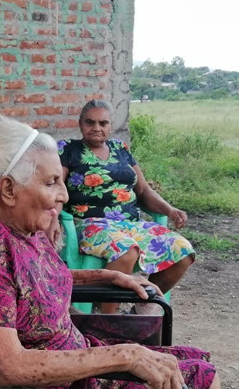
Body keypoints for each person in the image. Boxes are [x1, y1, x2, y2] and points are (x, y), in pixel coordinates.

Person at [0, 118, 219, 389]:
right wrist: (126, 355)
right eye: (52, 182)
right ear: (9, 189)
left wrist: (108, 276)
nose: (64, 195)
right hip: (62, 380)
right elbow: (10, 367)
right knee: (199, 377)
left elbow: (37, 279)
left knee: (194, 365)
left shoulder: (20, 227)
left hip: (75, 351)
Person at [49, 100, 195, 315]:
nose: (96, 128)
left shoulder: (121, 148)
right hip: (90, 224)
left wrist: (169, 210)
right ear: (80, 124)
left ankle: (140, 309)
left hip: (130, 224)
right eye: (90, 122)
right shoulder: (68, 149)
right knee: (126, 251)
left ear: (111, 126)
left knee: (183, 252)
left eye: (103, 123)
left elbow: (143, 191)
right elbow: (56, 189)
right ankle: (109, 319)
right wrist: (53, 217)